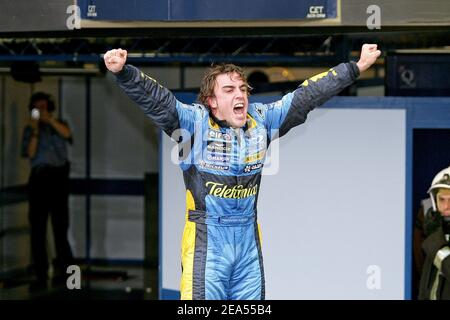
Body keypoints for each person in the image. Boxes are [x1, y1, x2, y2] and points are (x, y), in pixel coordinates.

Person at [103, 44, 381, 300]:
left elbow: (307, 96)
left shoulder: (262, 120)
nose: (240, 95)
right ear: (211, 101)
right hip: (207, 244)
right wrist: (125, 73)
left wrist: (354, 67)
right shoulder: (193, 123)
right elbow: (159, 101)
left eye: (243, 89)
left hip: (248, 244)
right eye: (229, 90)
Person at [21, 92, 74, 288]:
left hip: (58, 178)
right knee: (38, 230)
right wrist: (35, 129)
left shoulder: (58, 124)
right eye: (37, 108)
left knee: (61, 229)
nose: (41, 111)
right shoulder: (30, 130)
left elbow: (68, 135)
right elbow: (29, 153)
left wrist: (49, 120)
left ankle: (70, 277)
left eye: (44, 107)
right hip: (39, 179)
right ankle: (41, 276)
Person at [419, 166, 450, 300]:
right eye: (441, 200)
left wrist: (436, 246)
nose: (446, 207)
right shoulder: (436, 234)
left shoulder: (434, 242)